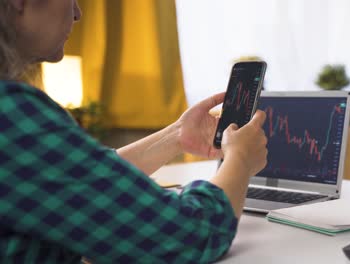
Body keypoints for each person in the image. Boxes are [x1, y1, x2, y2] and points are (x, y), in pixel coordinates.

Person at [0, 0, 268, 263]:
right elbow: (186, 235)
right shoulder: (12, 113)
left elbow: (75, 180)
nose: (78, 13)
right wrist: (240, 160)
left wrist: (176, 135)